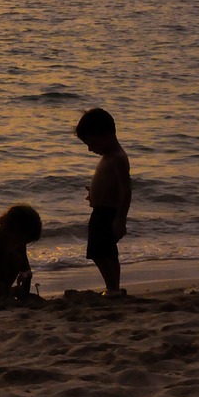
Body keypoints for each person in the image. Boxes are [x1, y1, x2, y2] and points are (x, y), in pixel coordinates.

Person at [75, 107, 132, 294]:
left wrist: (120, 219)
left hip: (108, 214)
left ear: (105, 135)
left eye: (91, 143)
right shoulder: (109, 156)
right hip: (102, 210)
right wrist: (95, 193)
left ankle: (112, 287)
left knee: (100, 252)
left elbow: (126, 189)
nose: (90, 149)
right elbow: (112, 185)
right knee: (107, 251)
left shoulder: (117, 158)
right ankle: (114, 286)